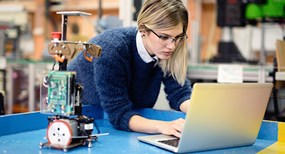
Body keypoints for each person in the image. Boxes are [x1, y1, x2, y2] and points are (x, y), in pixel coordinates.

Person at [68, 0, 191, 138]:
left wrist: (201, 113)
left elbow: (180, 94)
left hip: (120, 120)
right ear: (143, 29)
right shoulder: (112, 48)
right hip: (78, 119)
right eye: (164, 37)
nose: (172, 46)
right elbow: (120, 114)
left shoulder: (165, 50)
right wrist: (163, 126)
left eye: (178, 37)